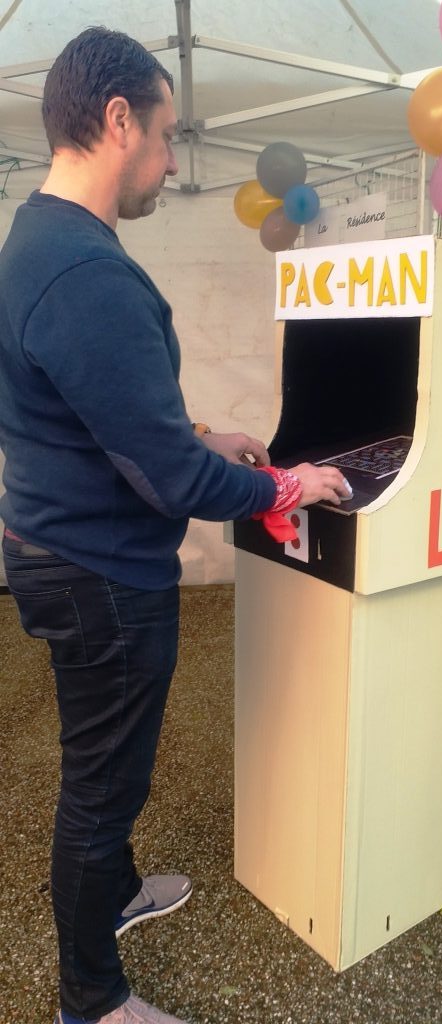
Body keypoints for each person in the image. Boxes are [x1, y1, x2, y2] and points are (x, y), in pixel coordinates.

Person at [0, 27, 350, 1024]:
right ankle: (92, 1001)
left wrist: (201, 429)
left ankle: (114, 893)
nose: (168, 162)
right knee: (102, 785)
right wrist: (289, 483)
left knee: (103, 765)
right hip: (101, 576)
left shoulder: (35, 241)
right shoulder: (84, 271)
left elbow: (95, 414)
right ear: (118, 120)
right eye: (164, 137)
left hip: (56, 548)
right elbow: (168, 479)